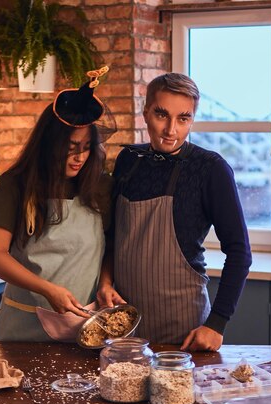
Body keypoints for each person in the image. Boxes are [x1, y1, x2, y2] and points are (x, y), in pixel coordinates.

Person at [98, 72, 252, 351]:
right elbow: (113, 238)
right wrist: (105, 281)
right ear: (145, 113)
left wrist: (216, 324)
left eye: (183, 118)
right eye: (161, 115)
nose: (171, 129)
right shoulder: (128, 160)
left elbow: (240, 252)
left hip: (185, 330)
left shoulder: (210, 169)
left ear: (192, 118)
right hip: (125, 328)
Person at [0, 66, 115, 342]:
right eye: (70, 147)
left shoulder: (100, 186)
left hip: (85, 328)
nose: (79, 157)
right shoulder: (16, 184)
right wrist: (46, 289)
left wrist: (105, 283)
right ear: (49, 144)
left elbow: (110, 247)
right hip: (23, 330)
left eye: (86, 147)